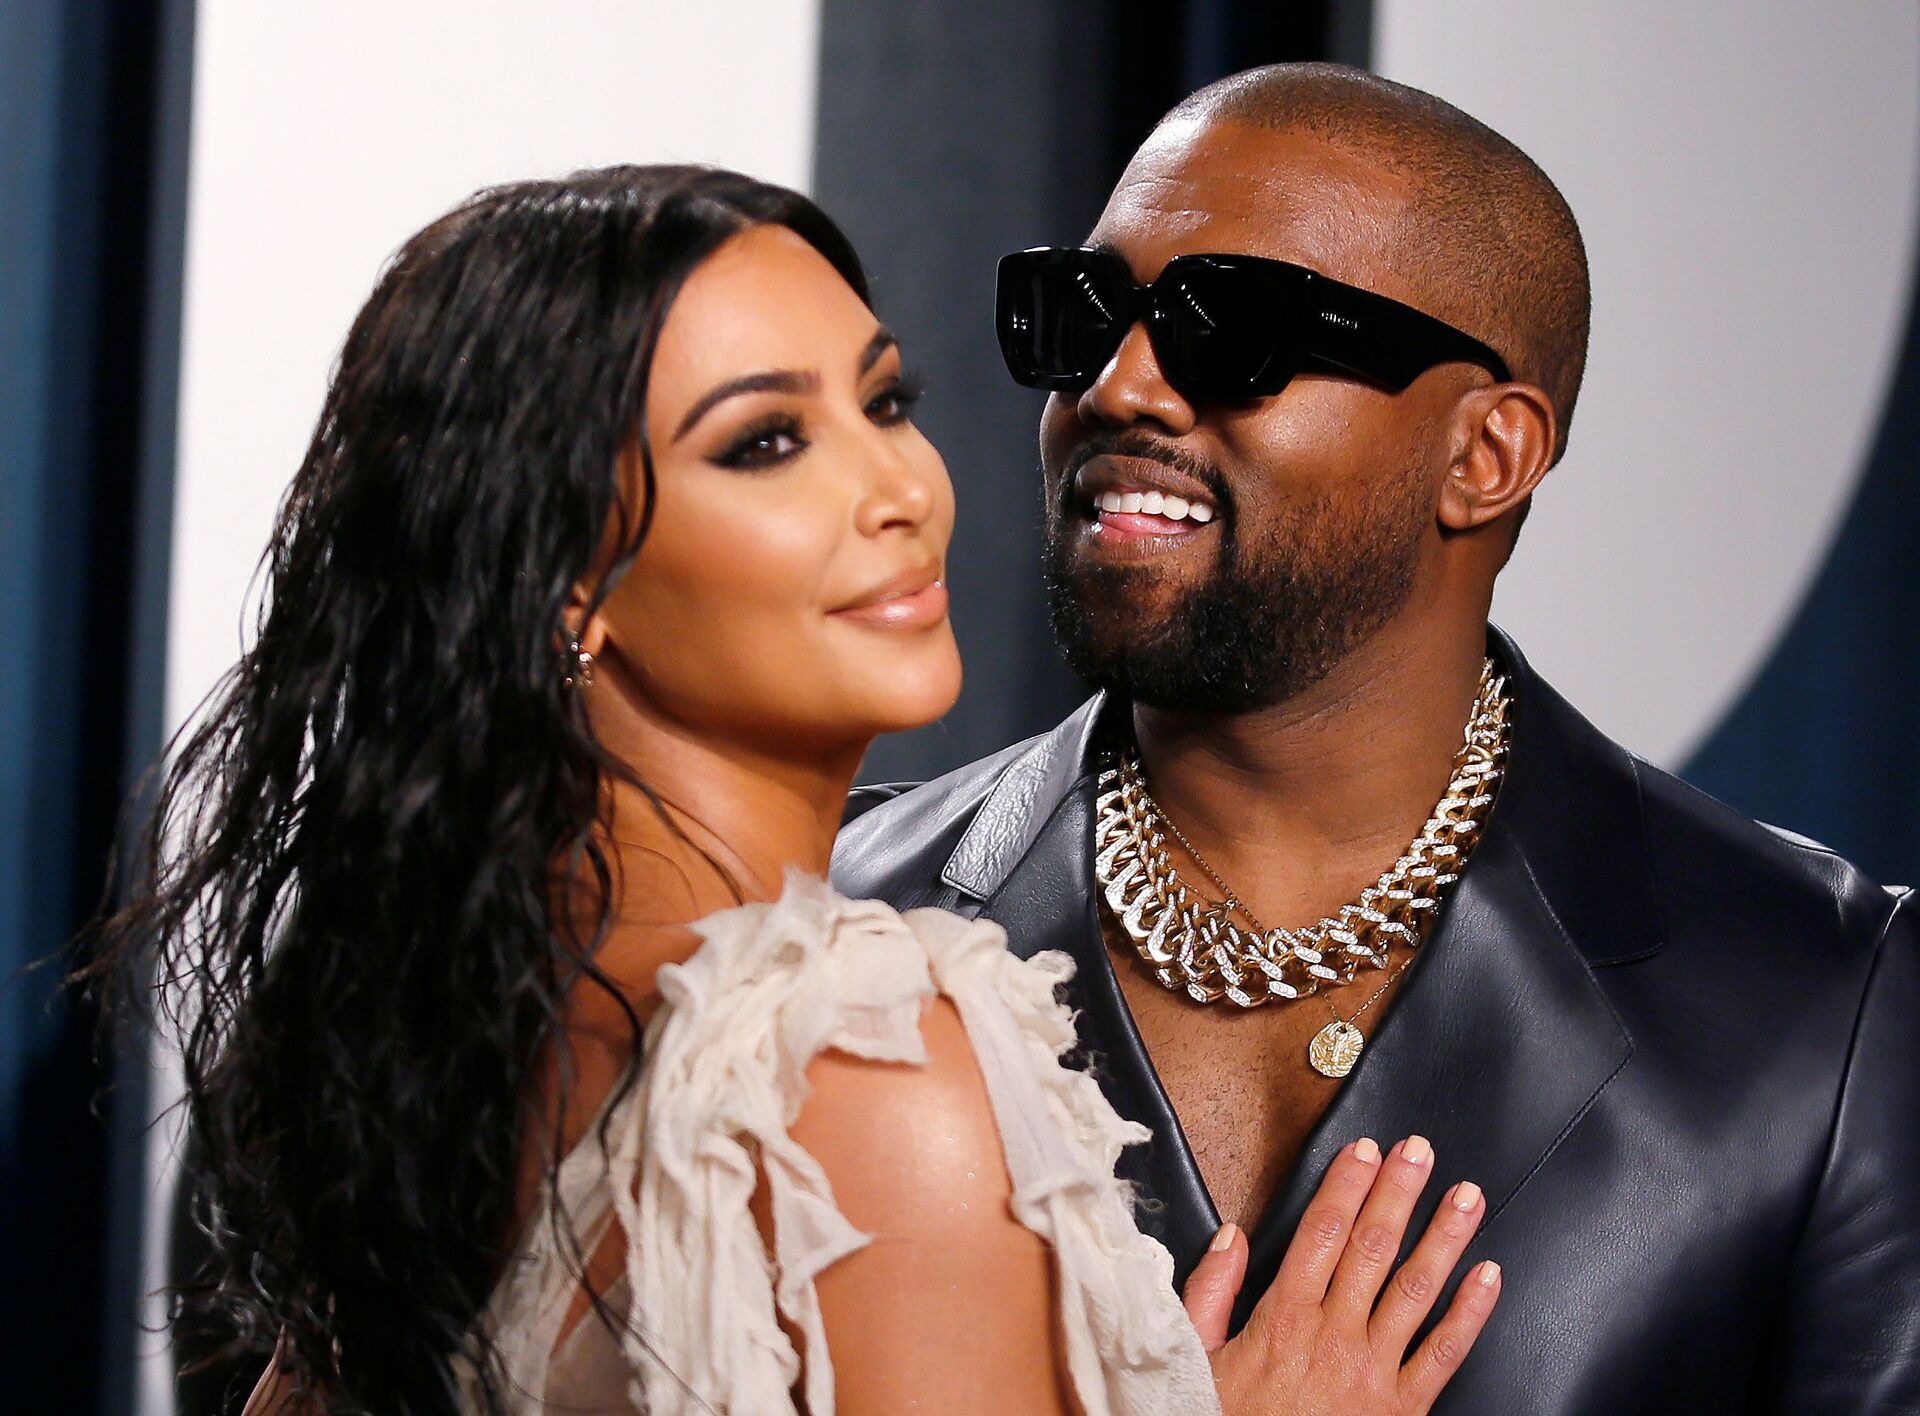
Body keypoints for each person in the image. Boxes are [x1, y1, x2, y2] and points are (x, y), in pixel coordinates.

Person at [83, 164, 1499, 1416]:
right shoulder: (862, 1069)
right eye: (766, 442)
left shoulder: (470, 1016)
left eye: (886, 402)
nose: (900, 489)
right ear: (566, 584)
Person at [833, 62, 1920, 1414]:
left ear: (1487, 455)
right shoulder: (831, 927)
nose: (1120, 386)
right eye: (1085, 315)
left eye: (1232, 331)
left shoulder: (1825, 1006)